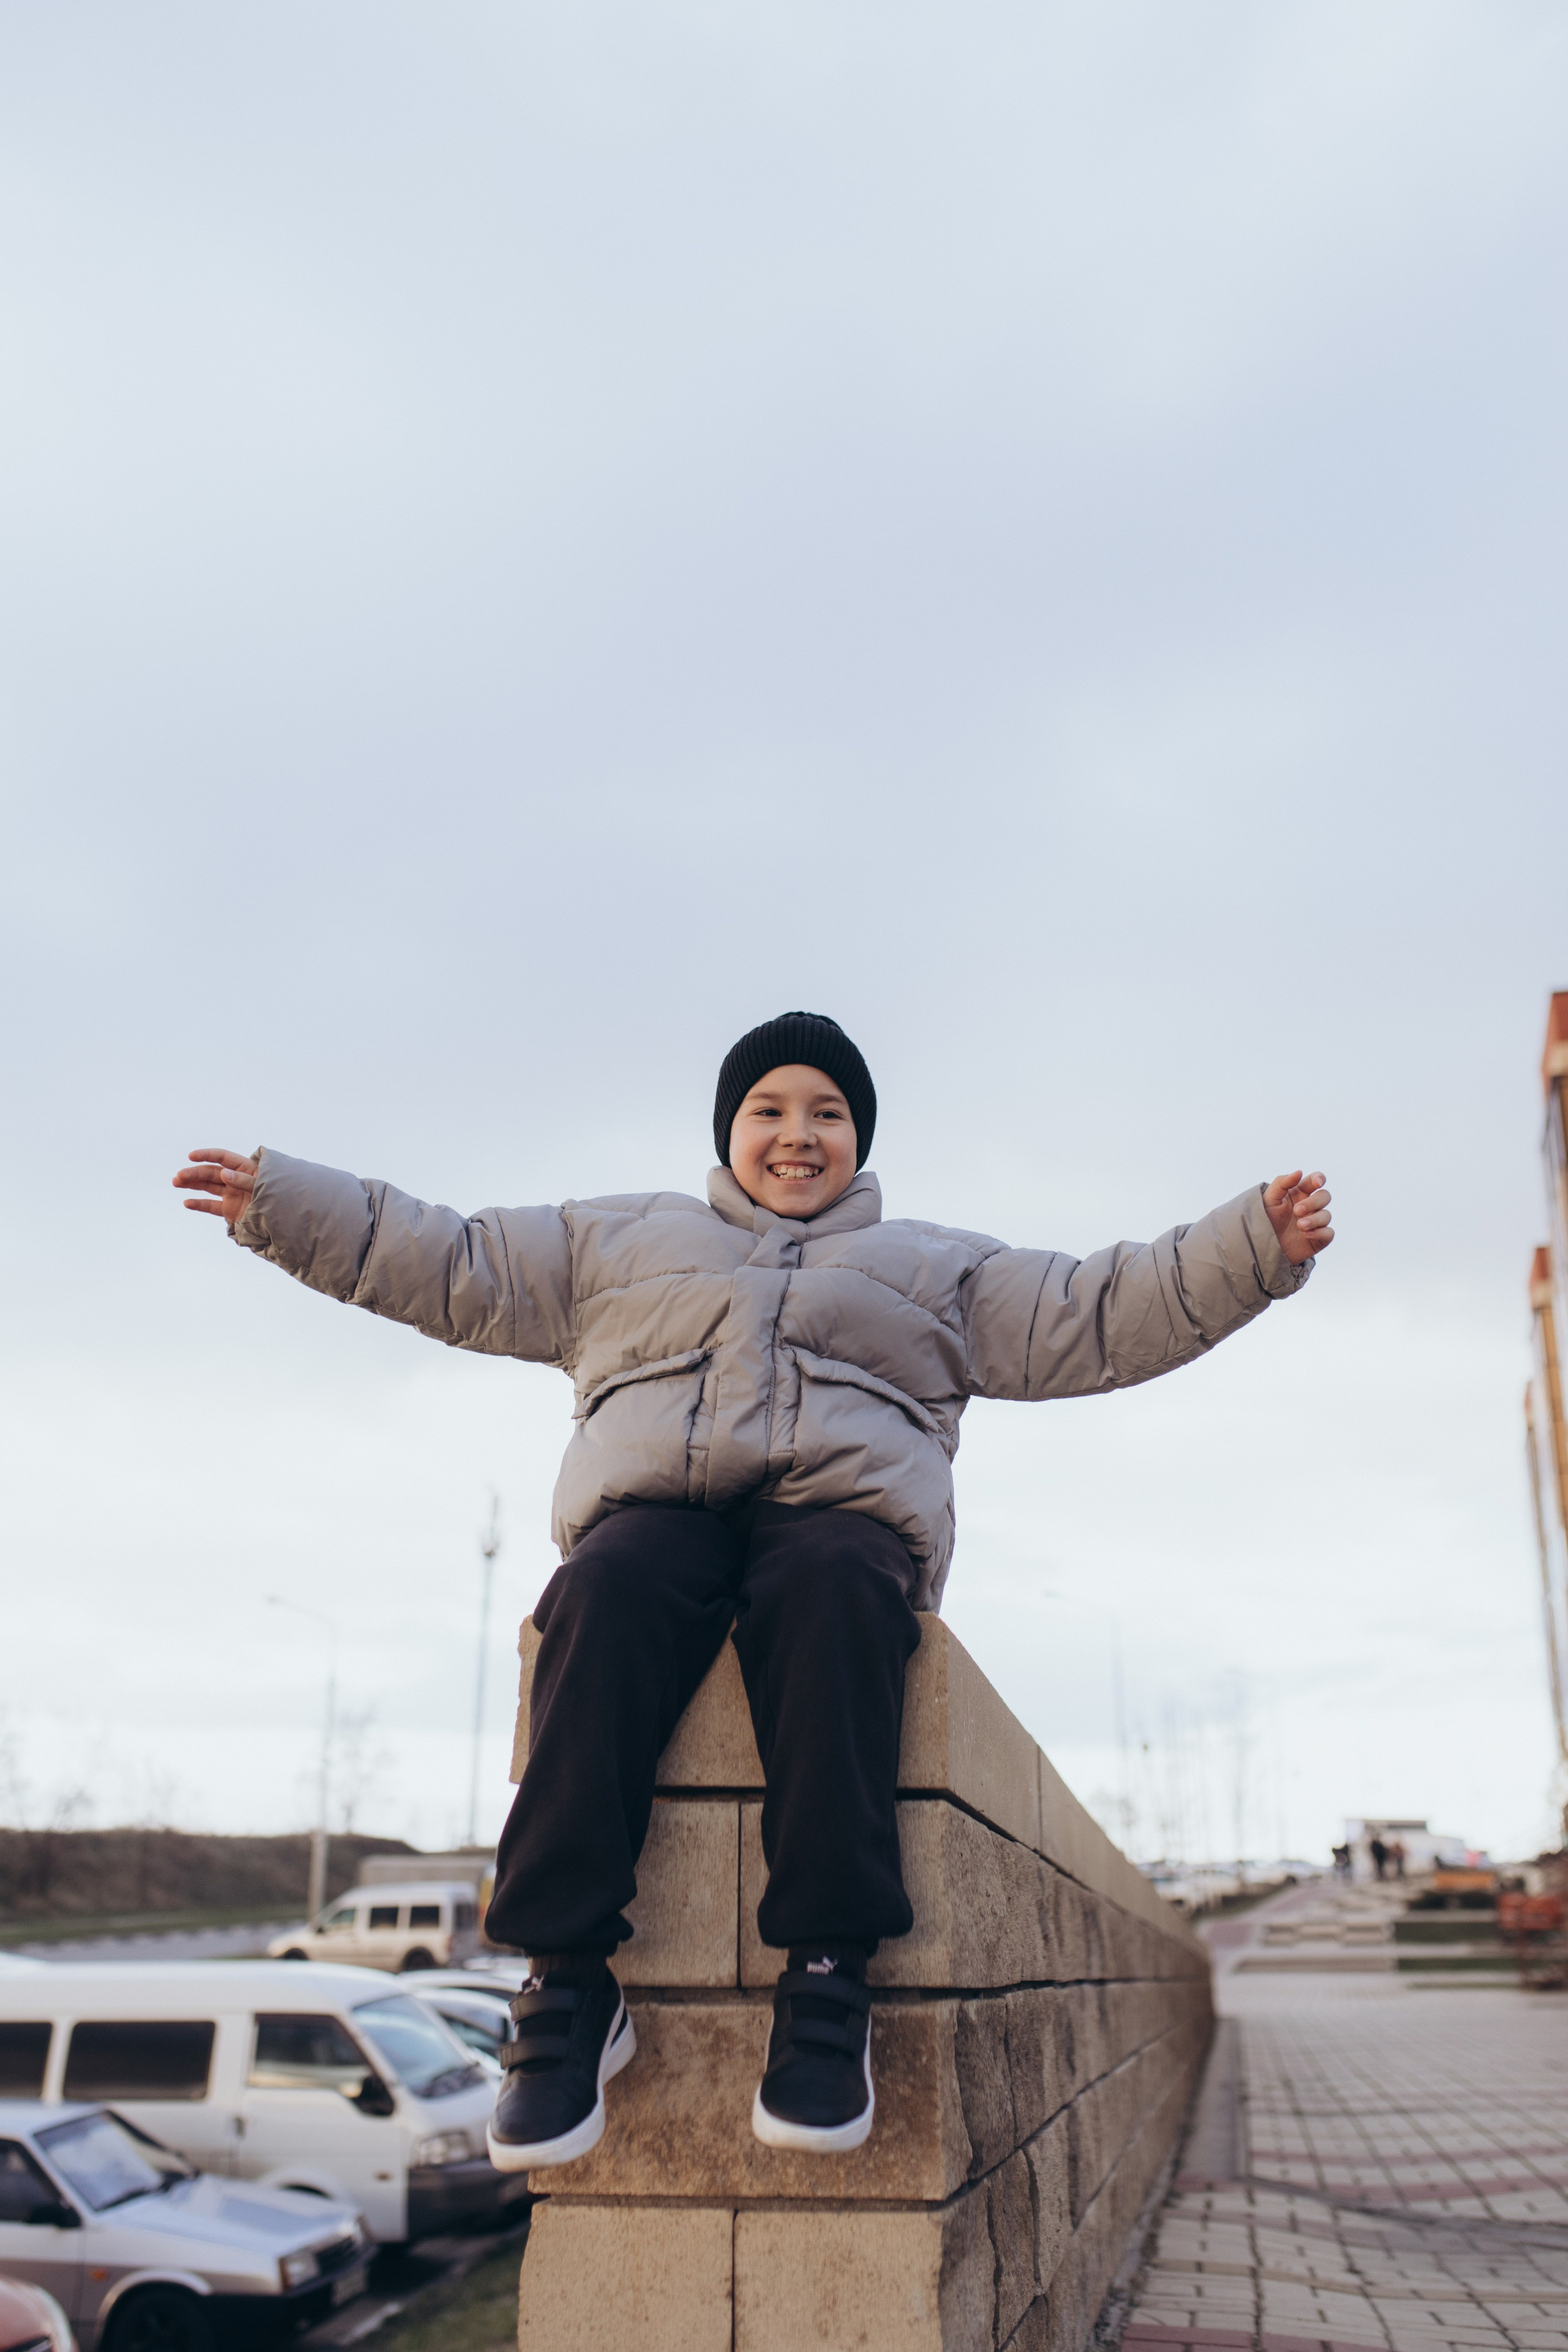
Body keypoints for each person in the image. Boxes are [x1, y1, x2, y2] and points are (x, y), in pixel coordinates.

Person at [174, 1010, 1334, 2169]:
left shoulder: (940, 1267)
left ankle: (828, 1984)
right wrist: (281, 1204)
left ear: (860, 1140)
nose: (797, 1136)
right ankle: (568, 1984)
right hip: (656, 1515)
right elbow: (449, 1256)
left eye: (826, 1114)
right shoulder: (615, 1238)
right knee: (603, 1589)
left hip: (841, 1526)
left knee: (833, 1588)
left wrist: (1254, 1246)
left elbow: (1095, 1306)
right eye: (768, 1112)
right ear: (728, 1131)